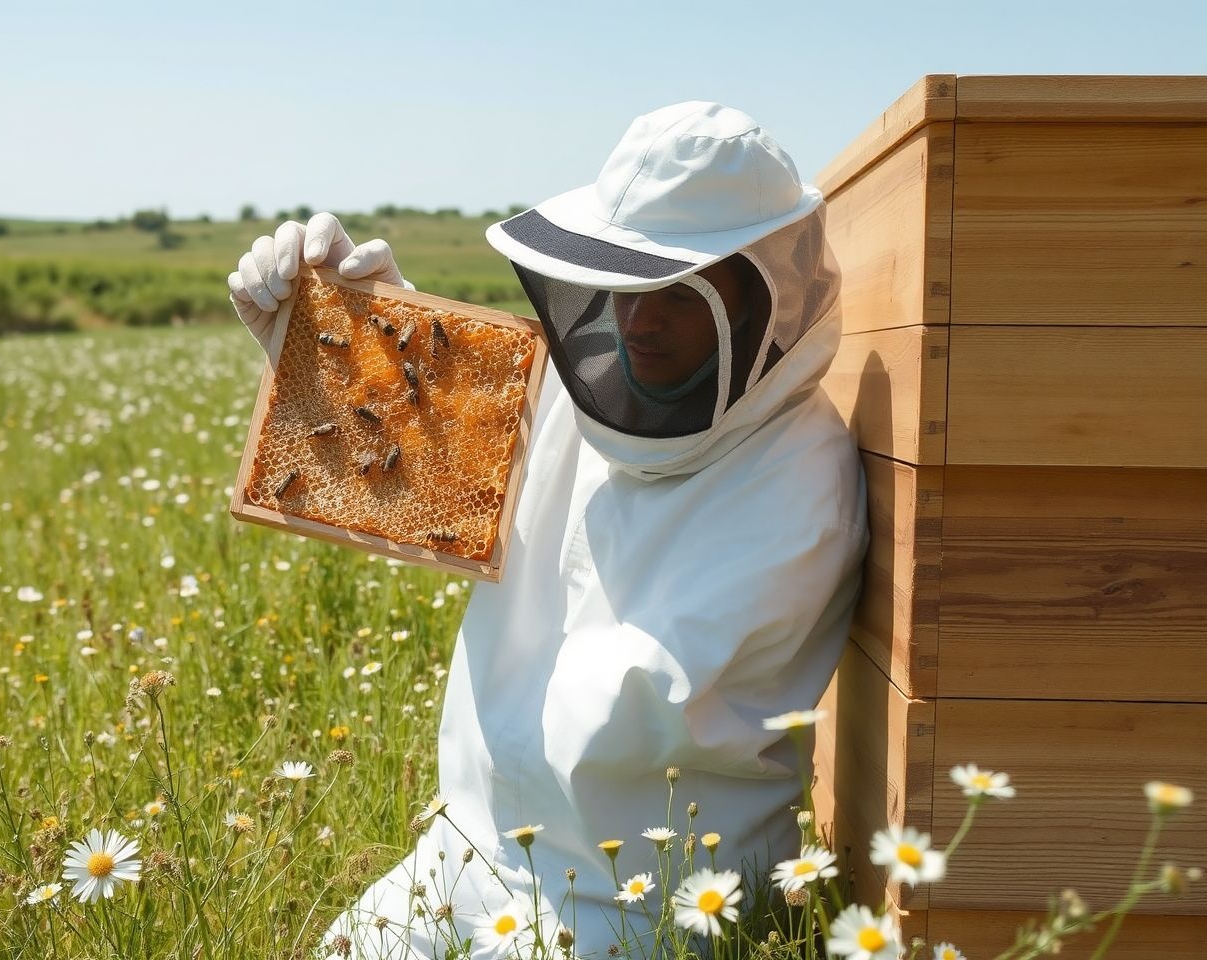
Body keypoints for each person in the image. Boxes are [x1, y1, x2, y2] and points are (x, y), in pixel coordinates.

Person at [229, 101, 868, 959]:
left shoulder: (800, 480)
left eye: (675, 291)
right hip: (461, 855)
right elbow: (436, 481)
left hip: (636, 909)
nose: (637, 322)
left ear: (762, 292)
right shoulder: (588, 393)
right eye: (624, 284)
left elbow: (612, 719)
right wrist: (337, 343)